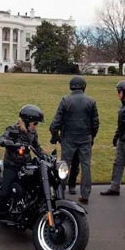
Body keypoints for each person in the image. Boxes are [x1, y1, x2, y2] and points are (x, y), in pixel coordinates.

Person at [0, 105, 44, 237]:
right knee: (4, 194)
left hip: (26, 165)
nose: (36, 126)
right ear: (27, 121)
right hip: (12, 165)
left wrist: (46, 156)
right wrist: (11, 144)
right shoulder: (13, 129)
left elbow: (37, 148)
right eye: (35, 123)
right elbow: (1, 139)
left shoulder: (32, 133)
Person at [49, 76, 99, 204]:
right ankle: (85, 194)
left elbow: (57, 121)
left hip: (69, 138)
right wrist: (91, 136)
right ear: (83, 86)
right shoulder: (91, 101)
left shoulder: (66, 100)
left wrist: (55, 134)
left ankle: (60, 191)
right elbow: (95, 123)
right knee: (86, 165)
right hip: (85, 137)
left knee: (65, 165)